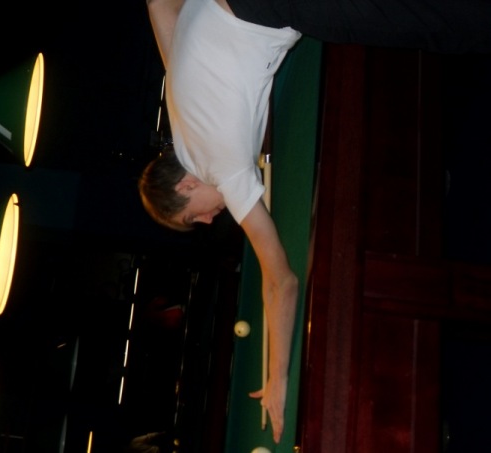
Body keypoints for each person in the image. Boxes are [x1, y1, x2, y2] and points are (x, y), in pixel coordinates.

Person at [139, 0, 491, 445]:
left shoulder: (220, 167)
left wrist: (277, 380)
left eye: (195, 215)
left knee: (438, 24)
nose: (209, 220)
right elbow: (160, 5)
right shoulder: (180, 116)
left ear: (186, 185)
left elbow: (280, 281)